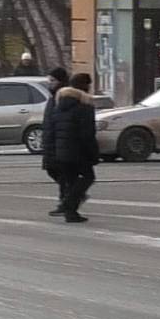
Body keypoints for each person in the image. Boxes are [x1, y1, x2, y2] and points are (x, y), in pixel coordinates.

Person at [46, 73, 99, 223]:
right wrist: (94, 153)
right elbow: (88, 133)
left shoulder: (59, 105)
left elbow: (52, 129)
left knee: (71, 180)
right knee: (88, 177)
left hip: (61, 150)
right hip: (79, 151)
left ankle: (71, 212)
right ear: (85, 87)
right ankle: (68, 206)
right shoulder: (85, 106)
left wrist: (52, 151)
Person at [40, 67, 72, 216]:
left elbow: (62, 120)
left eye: (52, 80)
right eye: (49, 80)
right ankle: (72, 195)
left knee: (61, 172)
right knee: (52, 170)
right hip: (51, 140)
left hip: (59, 141)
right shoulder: (54, 96)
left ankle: (67, 200)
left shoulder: (63, 96)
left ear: (60, 81)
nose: (50, 83)